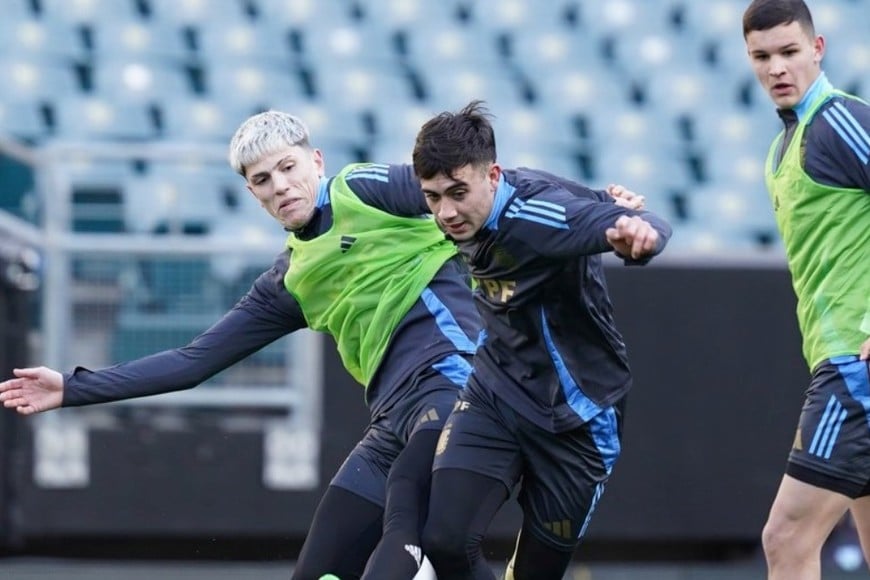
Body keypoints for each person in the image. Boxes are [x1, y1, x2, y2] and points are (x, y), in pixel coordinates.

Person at [0, 110, 643, 580]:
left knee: (406, 553)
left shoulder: (364, 190)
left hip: (454, 390)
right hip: (391, 422)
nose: (279, 185)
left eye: (287, 167)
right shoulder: (289, 281)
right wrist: (73, 388)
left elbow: (480, 182)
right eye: (262, 179)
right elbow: (194, 362)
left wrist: (596, 203)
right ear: (251, 194)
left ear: (315, 161)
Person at [410, 100, 672, 580]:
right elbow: (593, 199)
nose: (446, 212)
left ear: (493, 176)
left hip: (578, 418)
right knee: (444, 540)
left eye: (457, 193)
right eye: (433, 197)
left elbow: (634, 221)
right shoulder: (463, 206)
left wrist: (642, 234)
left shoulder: (540, 218)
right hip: (495, 393)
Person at [741, 1, 870, 578]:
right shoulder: (781, 149)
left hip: (854, 366)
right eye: (762, 56)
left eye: (790, 51)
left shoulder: (840, 121)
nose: (777, 68)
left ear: (817, 50)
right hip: (835, 358)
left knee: (787, 537)